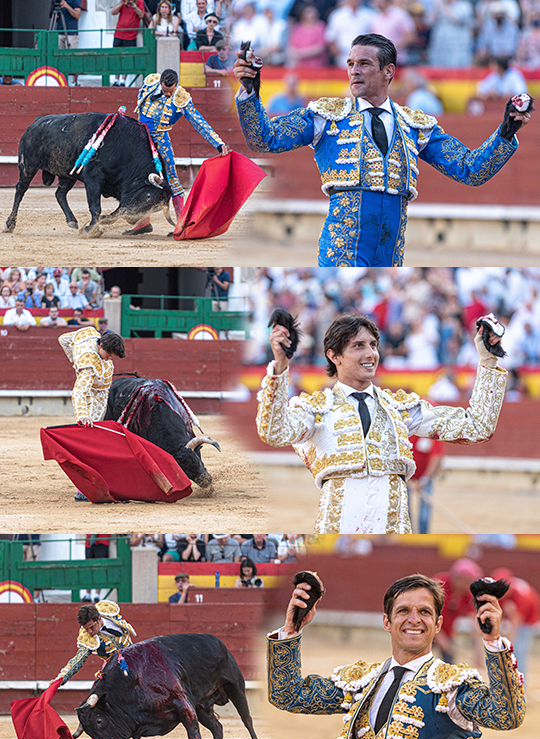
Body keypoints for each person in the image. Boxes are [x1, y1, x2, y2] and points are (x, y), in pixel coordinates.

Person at [233, 33, 531, 266]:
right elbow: (265, 139)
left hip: (392, 252)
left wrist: (507, 130)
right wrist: (251, 91)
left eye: (364, 64)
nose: (354, 71)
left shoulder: (415, 125)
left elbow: (471, 170)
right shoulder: (326, 115)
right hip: (343, 248)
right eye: (350, 64)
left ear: (388, 71)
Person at [267, 573, 525, 739]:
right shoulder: (363, 680)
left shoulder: (451, 684)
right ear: (386, 622)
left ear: (438, 625)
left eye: (424, 612)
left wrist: (493, 643)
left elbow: (506, 716)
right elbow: (288, 695)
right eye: (403, 611)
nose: (414, 619)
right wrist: (292, 629)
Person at [258, 313, 508, 534]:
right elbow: (273, 432)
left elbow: (477, 427)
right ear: (334, 356)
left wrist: (487, 361)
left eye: (373, 345)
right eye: (358, 346)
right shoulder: (316, 409)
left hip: (393, 529)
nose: (370, 354)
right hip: (339, 527)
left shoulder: (399, 407)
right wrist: (280, 366)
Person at [125, 68, 229, 234]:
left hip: (160, 140)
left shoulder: (181, 98)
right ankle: (143, 223)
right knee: (138, 178)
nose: (167, 94)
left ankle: (183, 224)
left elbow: (198, 122)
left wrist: (218, 143)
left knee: (172, 178)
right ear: (160, 83)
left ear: (176, 86)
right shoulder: (150, 82)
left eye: (171, 91)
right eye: (165, 91)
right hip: (139, 137)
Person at [54, 601, 136, 739]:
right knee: (97, 712)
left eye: (92, 627)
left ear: (99, 619)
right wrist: (60, 679)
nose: (89, 632)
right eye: (86, 629)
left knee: (128, 712)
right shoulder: (87, 637)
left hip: (134, 667)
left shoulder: (109, 612)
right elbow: (77, 661)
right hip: (110, 672)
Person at [58, 324, 126, 427]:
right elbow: (79, 392)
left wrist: (74, 358)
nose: (109, 359)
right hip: (94, 395)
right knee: (92, 426)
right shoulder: (89, 364)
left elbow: (63, 339)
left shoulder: (88, 333)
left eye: (112, 356)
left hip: (101, 389)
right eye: (108, 355)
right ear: (101, 345)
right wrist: (82, 415)